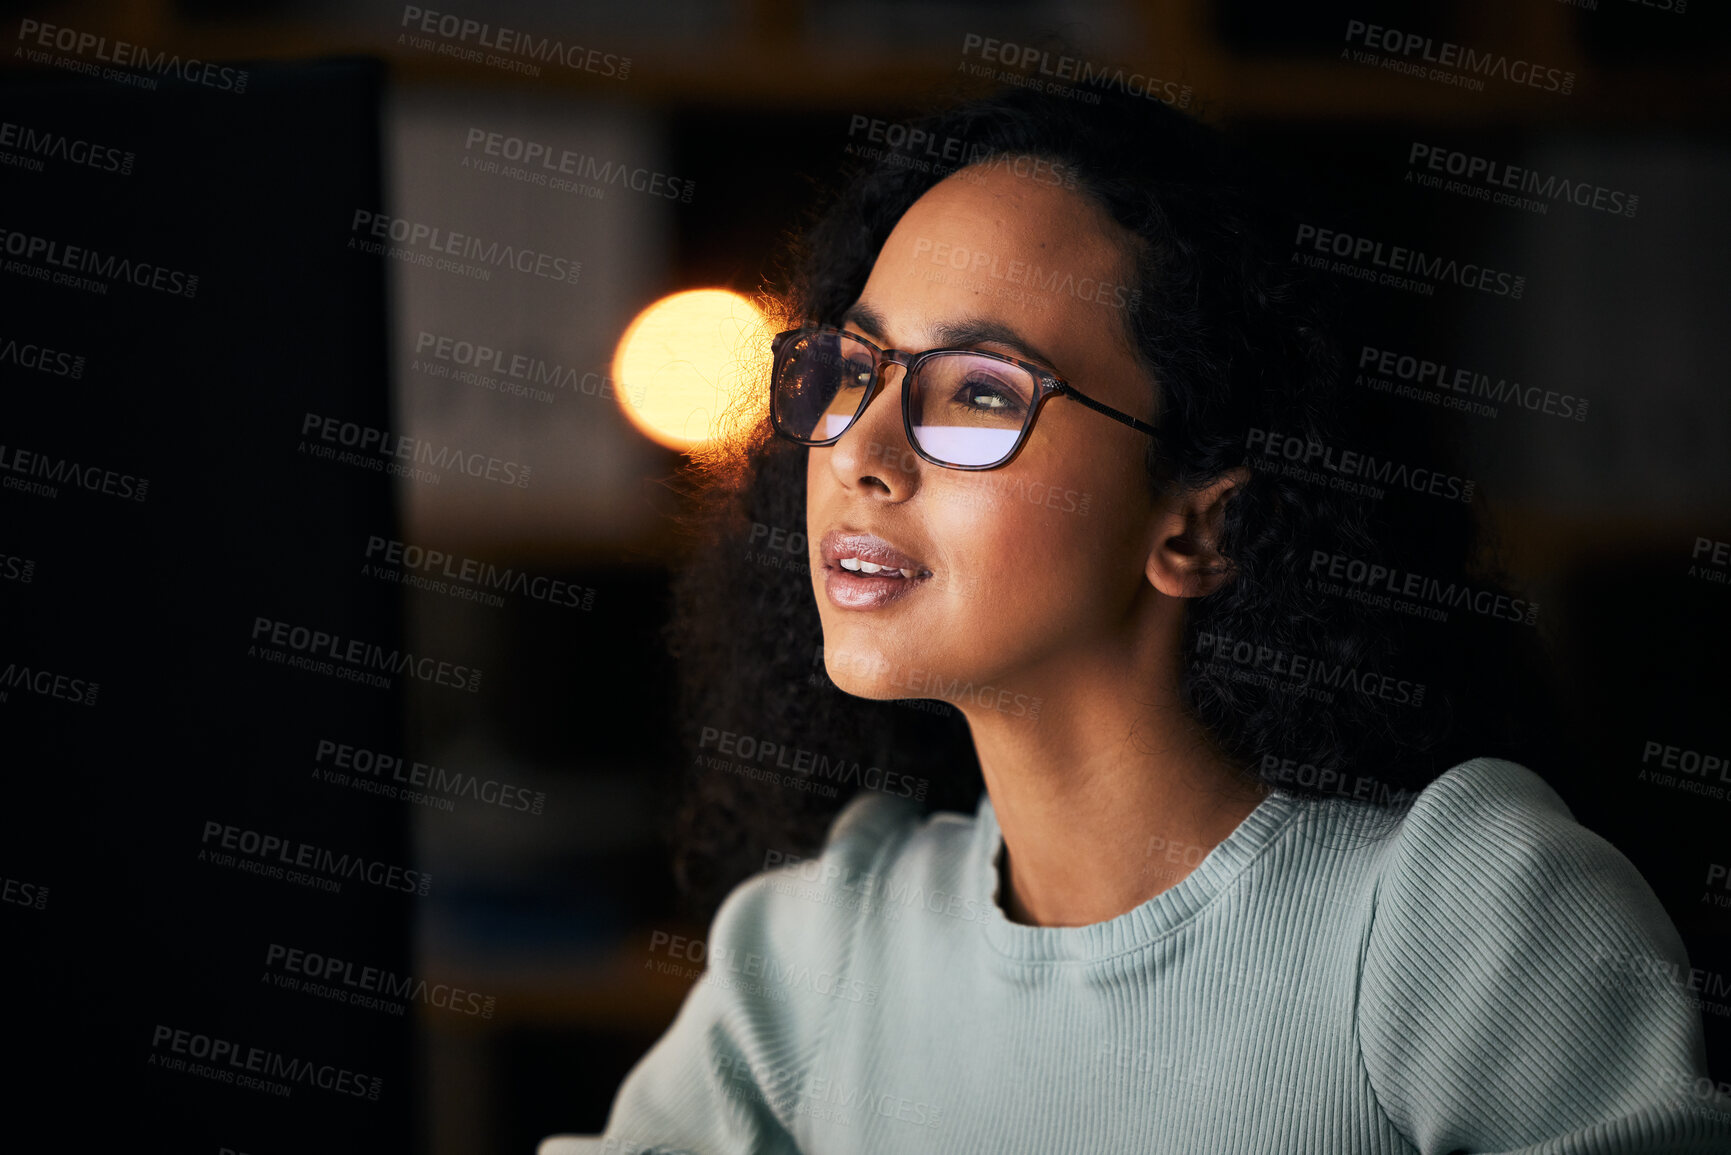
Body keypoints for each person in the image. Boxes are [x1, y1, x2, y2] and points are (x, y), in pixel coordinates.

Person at [548, 79, 1731, 1153]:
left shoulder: (1458, 917)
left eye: (978, 393)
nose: (859, 448)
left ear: (1200, 529)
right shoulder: (811, 960)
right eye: (853, 368)